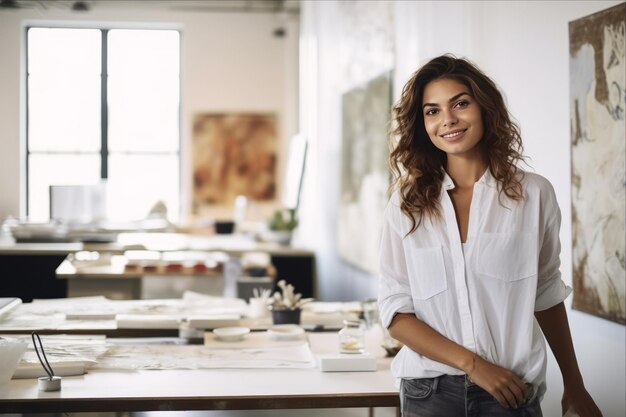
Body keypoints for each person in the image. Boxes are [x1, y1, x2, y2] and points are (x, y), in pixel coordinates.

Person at [377, 54, 603, 417]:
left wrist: (574, 385)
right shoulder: (407, 203)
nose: (447, 120)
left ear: (484, 108)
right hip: (429, 393)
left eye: (460, 104)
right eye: (432, 111)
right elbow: (395, 312)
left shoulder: (534, 195)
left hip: (510, 394)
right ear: (422, 124)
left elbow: (545, 293)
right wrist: (474, 366)